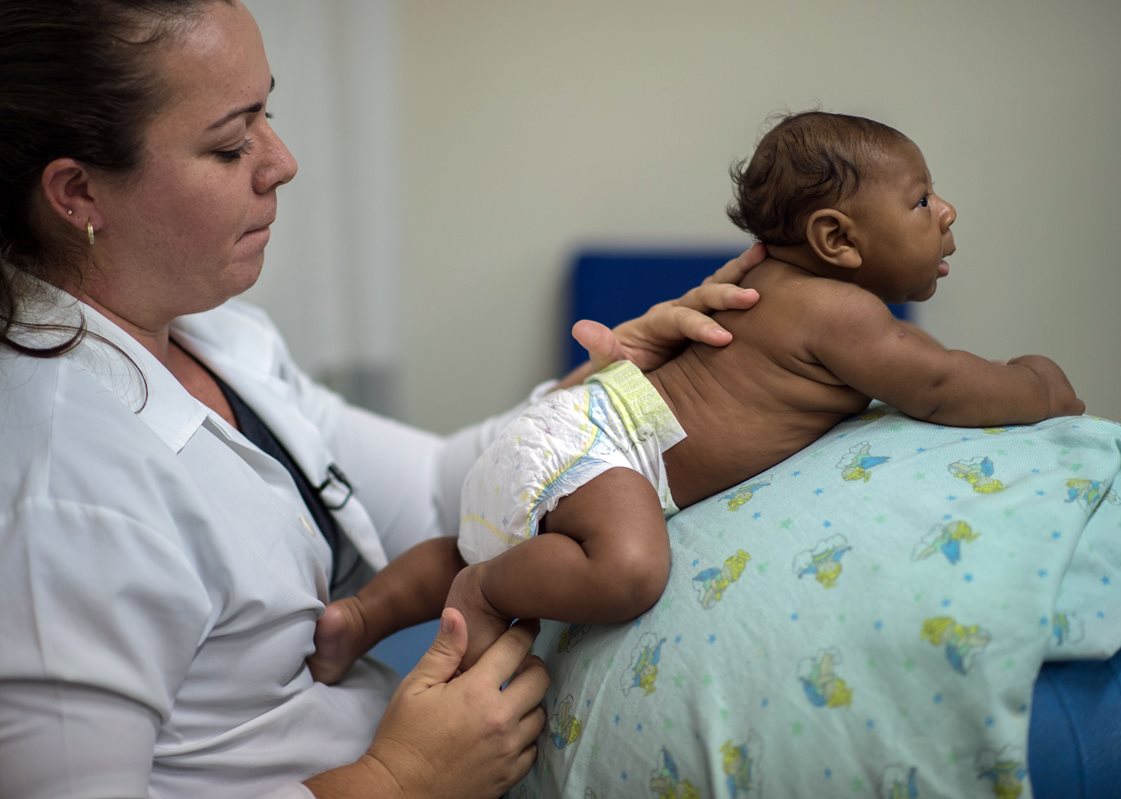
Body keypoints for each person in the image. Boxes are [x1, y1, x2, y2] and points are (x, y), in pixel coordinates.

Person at [0, 2, 764, 797]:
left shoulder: (216, 338)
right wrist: (400, 778)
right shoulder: (62, 495)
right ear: (78, 193)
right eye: (231, 145)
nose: (282, 161)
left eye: (271, 113)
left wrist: (626, 387)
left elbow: (443, 488)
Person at [308, 110, 1085, 676]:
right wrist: (1037, 384)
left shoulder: (769, 282)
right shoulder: (841, 311)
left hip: (569, 428)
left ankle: (367, 612)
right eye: (920, 201)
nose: (944, 211)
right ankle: (483, 587)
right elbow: (942, 385)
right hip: (599, 447)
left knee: (470, 535)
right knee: (630, 570)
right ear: (837, 239)